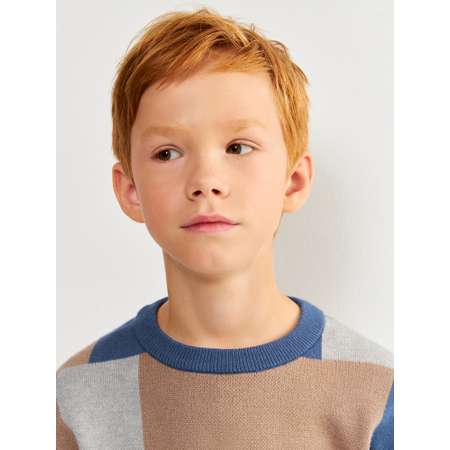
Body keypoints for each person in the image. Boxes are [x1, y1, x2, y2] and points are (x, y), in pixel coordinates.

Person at [56, 7, 393, 449]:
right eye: (167, 153)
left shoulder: (378, 395)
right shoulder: (75, 399)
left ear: (293, 181)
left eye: (238, 147)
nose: (206, 181)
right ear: (130, 190)